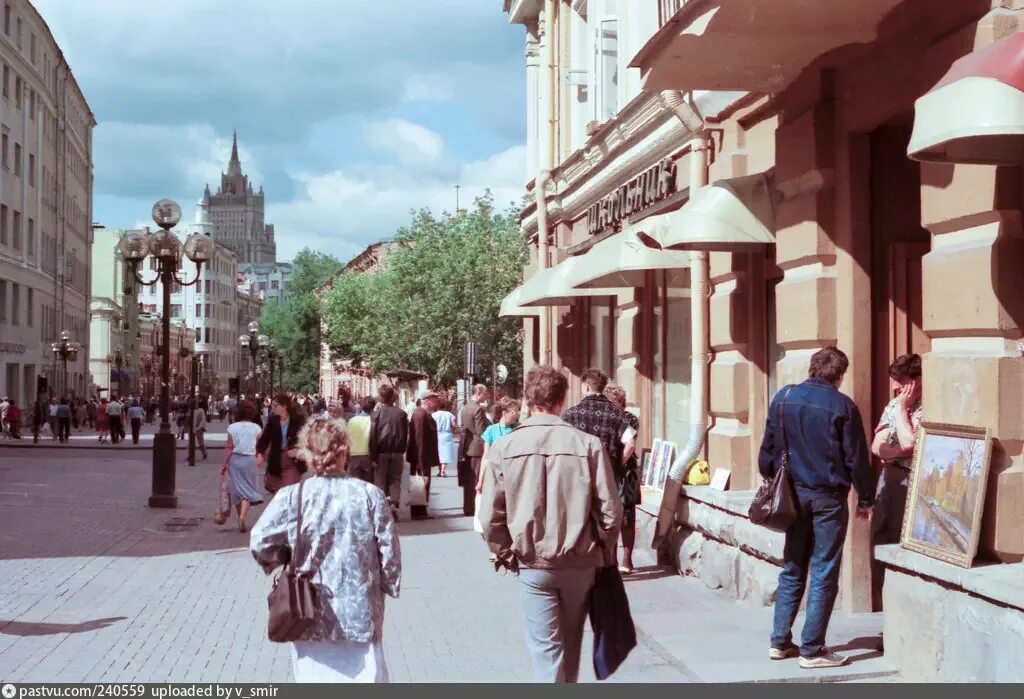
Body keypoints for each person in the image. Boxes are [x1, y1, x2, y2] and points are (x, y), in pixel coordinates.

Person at [479, 365, 622, 683]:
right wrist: (598, 546)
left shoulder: (505, 447)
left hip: (533, 563)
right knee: (571, 647)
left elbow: (490, 516)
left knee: (546, 651)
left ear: (529, 400)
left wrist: (505, 552)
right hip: (580, 562)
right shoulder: (588, 445)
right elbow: (612, 512)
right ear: (562, 401)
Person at [250, 418, 401, 683]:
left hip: (308, 612)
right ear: (344, 452)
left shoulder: (292, 497)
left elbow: (260, 541)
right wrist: (387, 584)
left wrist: (285, 555)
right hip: (360, 613)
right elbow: (389, 553)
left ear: (307, 455)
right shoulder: (369, 495)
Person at [757, 346, 876, 669]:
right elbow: (856, 459)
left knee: (793, 565)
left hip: (792, 495)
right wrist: (866, 498)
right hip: (827, 498)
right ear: (840, 374)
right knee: (823, 568)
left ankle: (780, 641)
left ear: (813, 368)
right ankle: (812, 649)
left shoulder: (784, 397)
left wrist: (774, 482)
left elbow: (766, 453)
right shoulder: (842, 405)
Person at [561, 369, 636, 570]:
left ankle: (582, 559)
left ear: (586, 386)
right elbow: (630, 444)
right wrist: (617, 464)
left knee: (581, 516)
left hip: (579, 476)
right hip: (608, 476)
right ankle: (608, 560)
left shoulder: (570, 415)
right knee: (607, 517)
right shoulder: (618, 415)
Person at [870, 353, 922, 610]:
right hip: (889, 479)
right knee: (881, 542)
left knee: (905, 547)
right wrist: (899, 451)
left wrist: (902, 412)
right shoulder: (893, 405)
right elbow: (877, 445)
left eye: (901, 380)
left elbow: (910, 442)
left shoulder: (923, 407)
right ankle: (887, 614)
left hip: (912, 484)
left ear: (916, 381)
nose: (895, 387)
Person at [602, 384, 641, 574]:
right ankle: (623, 560)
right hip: (625, 470)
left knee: (617, 515)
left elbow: (630, 446)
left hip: (621, 471)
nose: (622, 404)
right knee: (625, 516)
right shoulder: (627, 418)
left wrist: (617, 463)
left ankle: (620, 559)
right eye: (619, 400)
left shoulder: (624, 419)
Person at [368, 385, 408, 521]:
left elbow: (373, 437)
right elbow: (405, 435)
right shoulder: (401, 414)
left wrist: (373, 456)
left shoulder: (376, 414)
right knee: (395, 480)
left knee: (380, 482)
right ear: (393, 397)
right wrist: (402, 450)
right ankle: (394, 506)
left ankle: (381, 509)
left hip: (381, 453)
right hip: (397, 452)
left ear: (380, 397)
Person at [225, 400, 265, 532]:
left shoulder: (232, 428)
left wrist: (225, 464)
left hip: (235, 460)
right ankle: (242, 517)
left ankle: (240, 516)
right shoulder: (256, 428)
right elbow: (260, 446)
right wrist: (260, 456)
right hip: (249, 460)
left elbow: (229, 447)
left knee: (237, 490)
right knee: (247, 489)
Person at [258, 393, 308, 496]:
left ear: (285, 406)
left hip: (292, 462)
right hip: (276, 460)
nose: (273, 409)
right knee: (279, 494)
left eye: (276, 406)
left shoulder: (297, 420)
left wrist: (299, 450)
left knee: (289, 492)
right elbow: (264, 440)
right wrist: (260, 453)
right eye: (272, 406)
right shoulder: (273, 421)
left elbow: (307, 439)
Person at [406, 390, 440, 520]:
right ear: (427, 401)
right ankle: (419, 511)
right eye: (434, 400)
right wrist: (419, 461)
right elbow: (419, 438)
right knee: (421, 483)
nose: (436, 402)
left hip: (422, 456)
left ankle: (421, 510)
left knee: (422, 483)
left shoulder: (423, 414)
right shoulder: (421, 414)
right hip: (421, 457)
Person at [474, 398, 521, 492]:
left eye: (517, 411)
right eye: (514, 412)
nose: (517, 415)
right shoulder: (491, 430)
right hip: (495, 475)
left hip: (514, 475)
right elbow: (486, 457)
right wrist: (480, 481)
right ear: (504, 413)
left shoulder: (519, 428)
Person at [459, 384, 491, 517]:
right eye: (484, 393)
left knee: (469, 479)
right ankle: (475, 507)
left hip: (467, 447)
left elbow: (463, 426)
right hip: (477, 448)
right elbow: (480, 431)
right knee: (477, 478)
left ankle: (468, 507)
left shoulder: (465, 407)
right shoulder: (478, 409)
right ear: (478, 392)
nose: (486, 396)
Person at [346, 397, 375, 483]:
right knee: (368, 484)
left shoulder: (352, 421)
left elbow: (347, 439)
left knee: (354, 484)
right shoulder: (373, 421)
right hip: (367, 455)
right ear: (373, 408)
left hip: (353, 455)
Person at [432, 399, 458, 478]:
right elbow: (454, 425)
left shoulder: (434, 415)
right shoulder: (449, 414)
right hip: (447, 435)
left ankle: (440, 471)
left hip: (436, 435)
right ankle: (443, 470)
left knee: (439, 453)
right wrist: (453, 430)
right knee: (445, 453)